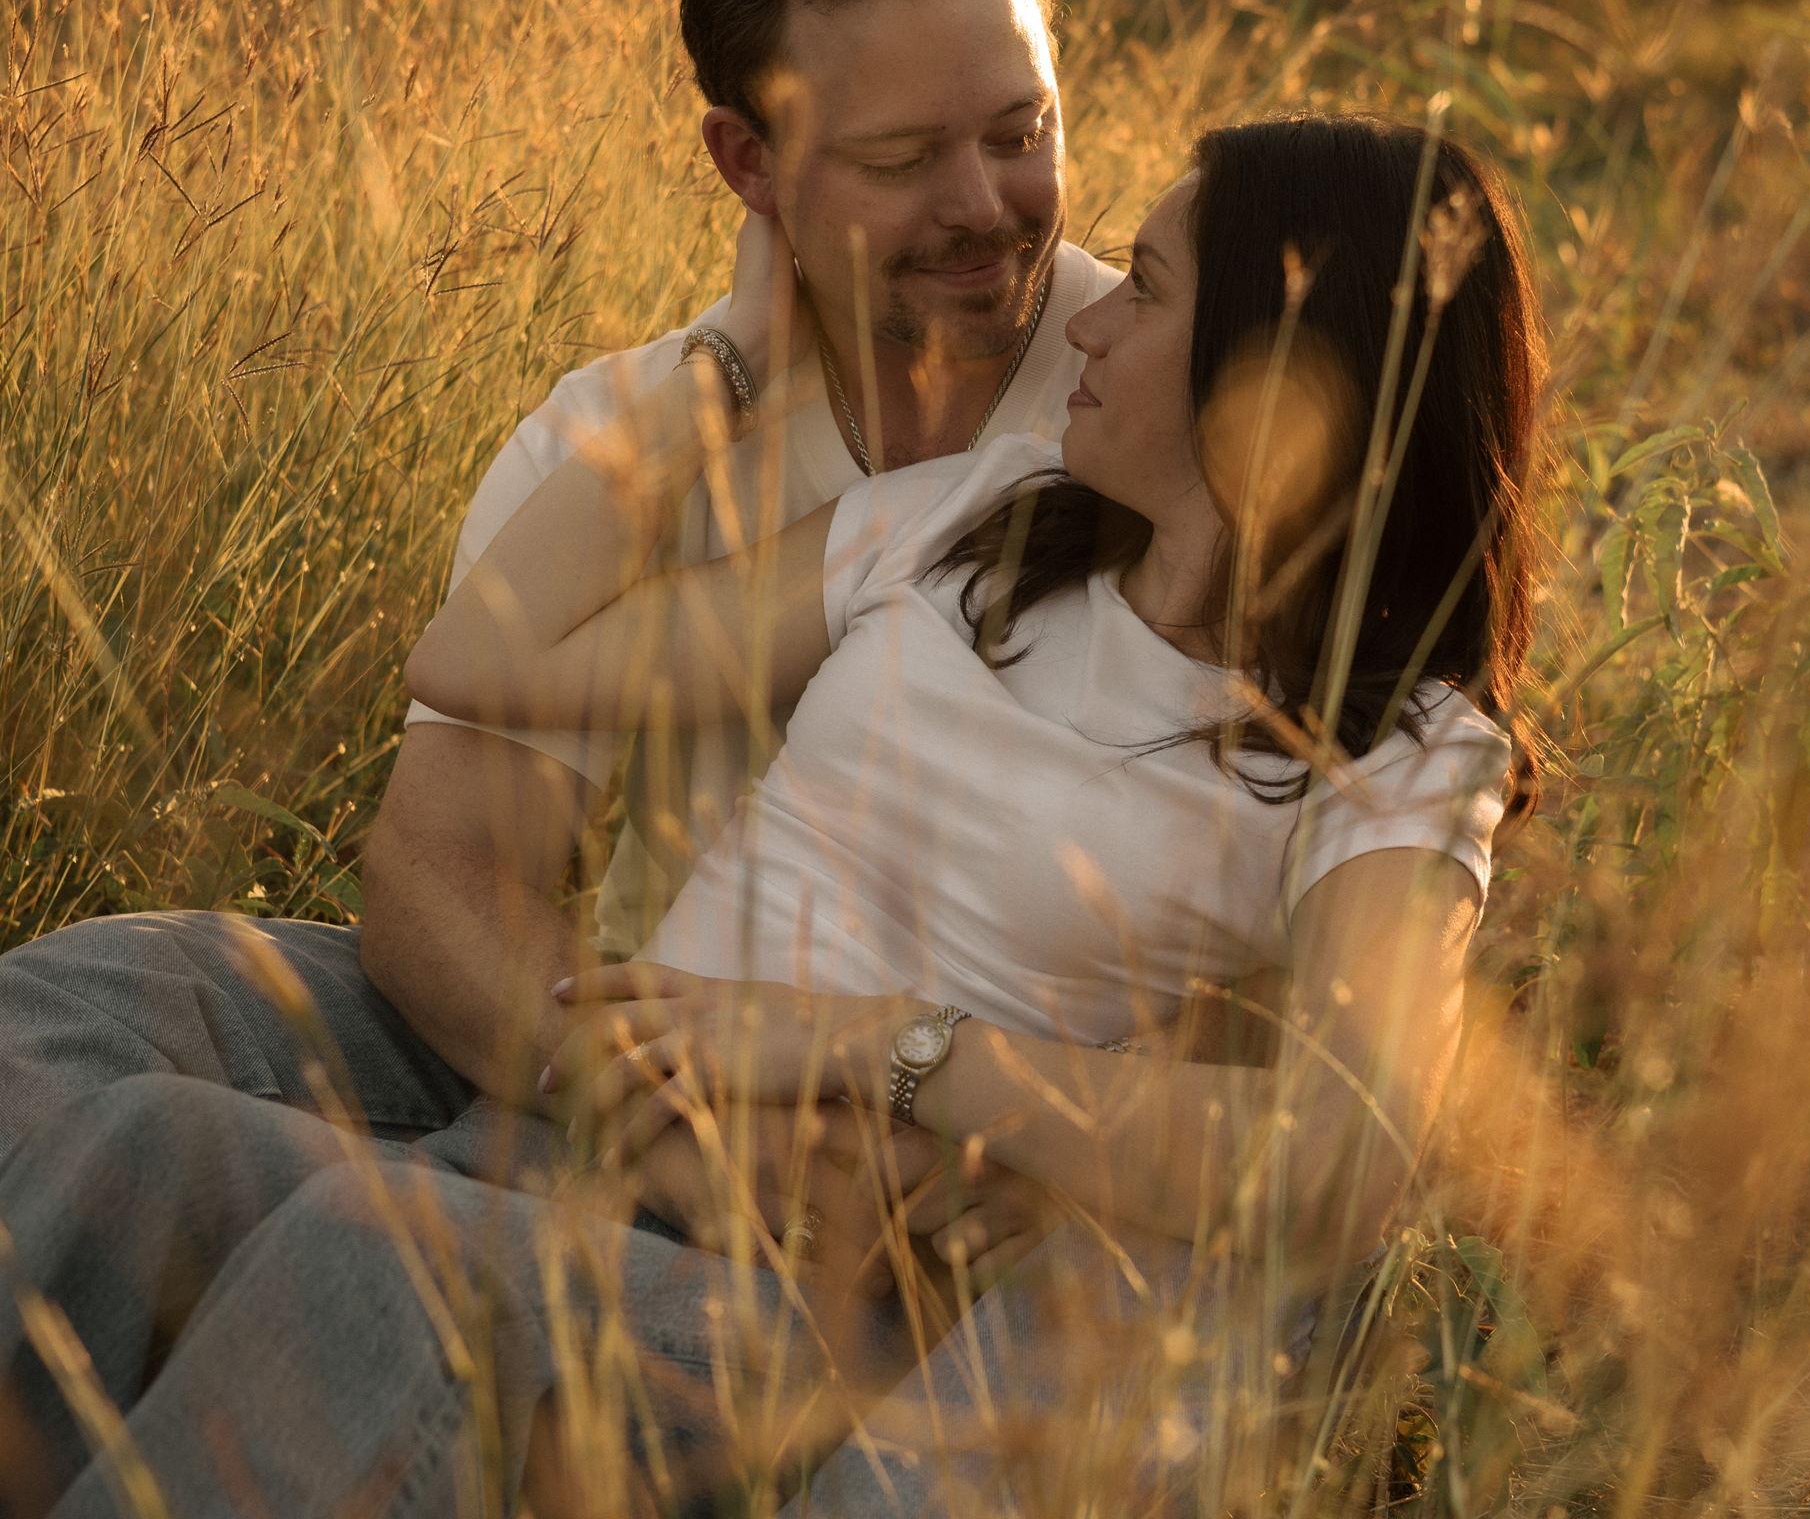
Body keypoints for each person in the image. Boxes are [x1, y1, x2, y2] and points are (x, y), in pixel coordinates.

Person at [0, 112, 1550, 1516]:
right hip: (581, 1139)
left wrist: (881, 1049)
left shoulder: (1400, 754)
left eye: (1142, 289)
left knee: (373, 1268)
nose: (1089, 315)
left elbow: (1344, 1150)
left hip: (821, 1288)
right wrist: (731, 357)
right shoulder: (982, 518)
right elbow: (486, 657)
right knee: (145, 1156)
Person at [0, 0, 1130, 1287]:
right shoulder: (620, 444)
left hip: (975, 1139)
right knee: (62, 1012)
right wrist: (673, 1123)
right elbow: (442, 872)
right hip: (637, 1048)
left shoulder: (1163, 408)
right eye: (902, 158)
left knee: (337, 1249)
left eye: (1020, 132)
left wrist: (1063, 1144)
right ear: (750, 162)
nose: (983, 207)